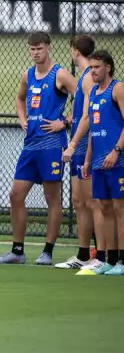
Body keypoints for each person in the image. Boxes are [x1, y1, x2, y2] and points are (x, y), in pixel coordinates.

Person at [0, 32, 76, 265]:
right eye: (32, 49)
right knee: (15, 194)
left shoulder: (60, 74)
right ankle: (17, 250)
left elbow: (84, 98)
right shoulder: (27, 75)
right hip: (30, 144)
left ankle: (47, 251)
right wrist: (21, 118)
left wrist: (65, 122)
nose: (36, 53)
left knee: (52, 198)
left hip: (51, 145)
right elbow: (19, 99)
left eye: (39, 48)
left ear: (48, 48)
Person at [79, 50, 124, 275]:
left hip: (118, 160)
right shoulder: (94, 93)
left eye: (97, 67)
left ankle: (122, 261)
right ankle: (109, 258)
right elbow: (93, 131)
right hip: (98, 162)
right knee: (105, 208)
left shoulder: (118, 89)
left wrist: (116, 150)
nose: (93, 71)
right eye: (91, 67)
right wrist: (87, 160)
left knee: (120, 208)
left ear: (108, 67)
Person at [59, 35, 100, 268]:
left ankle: (99, 253)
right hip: (80, 145)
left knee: (91, 202)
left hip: (86, 147)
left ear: (75, 51)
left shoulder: (87, 79)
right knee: (79, 201)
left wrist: (73, 144)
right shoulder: (84, 78)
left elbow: (87, 116)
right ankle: (84, 254)